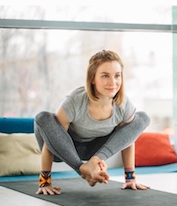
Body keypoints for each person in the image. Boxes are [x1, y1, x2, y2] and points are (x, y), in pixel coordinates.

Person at [34, 50, 151, 195]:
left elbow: (127, 138)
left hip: (98, 151)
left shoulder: (123, 104)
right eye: (105, 76)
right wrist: (45, 182)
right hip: (66, 150)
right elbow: (53, 137)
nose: (113, 82)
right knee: (43, 117)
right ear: (92, 78)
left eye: (117, 76)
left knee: (142, 118)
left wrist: (130, 178)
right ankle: (84, 170)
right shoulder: (75, 100)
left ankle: (92, 163)